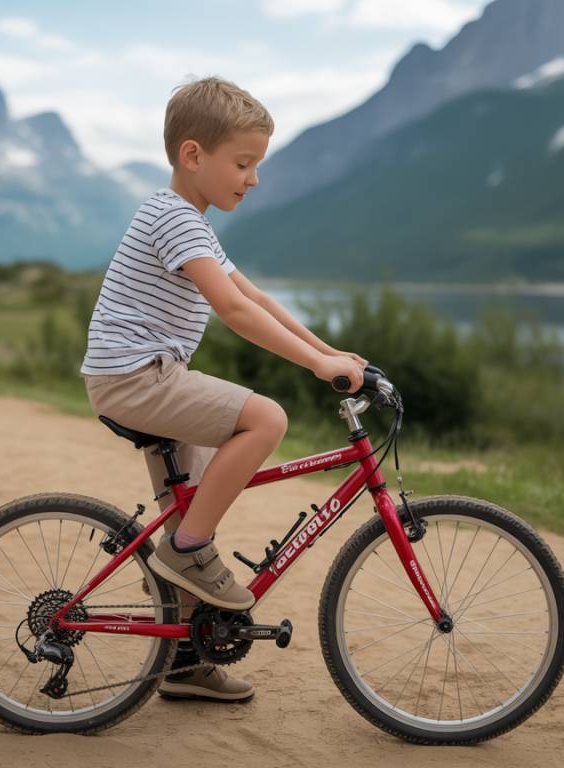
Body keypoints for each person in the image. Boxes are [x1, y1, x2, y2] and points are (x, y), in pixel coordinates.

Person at [81, 76, 366, 703]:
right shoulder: (173, 218)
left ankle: (185, 658)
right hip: (138, 376)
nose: (254, 179)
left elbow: (254, 297)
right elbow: (234, 313)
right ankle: (188, 550)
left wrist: (328, 353)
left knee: (192, 504)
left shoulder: (191, 222)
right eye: (243, 163)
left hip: (143, 376)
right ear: (193, 155)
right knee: (264, 420)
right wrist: (317, 370)